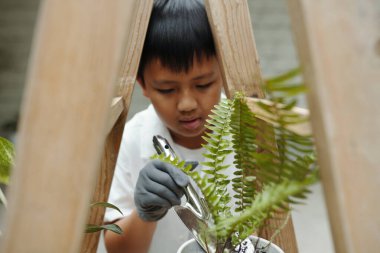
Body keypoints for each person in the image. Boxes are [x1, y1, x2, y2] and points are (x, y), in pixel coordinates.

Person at [103, 0, 225, 252]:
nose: (187, 104)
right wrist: (145, 214)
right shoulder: (129, 142)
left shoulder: (253, 132)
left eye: (203, 84)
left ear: (223, 72)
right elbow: (118, 249)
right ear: (143, 85)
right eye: (167, 89)